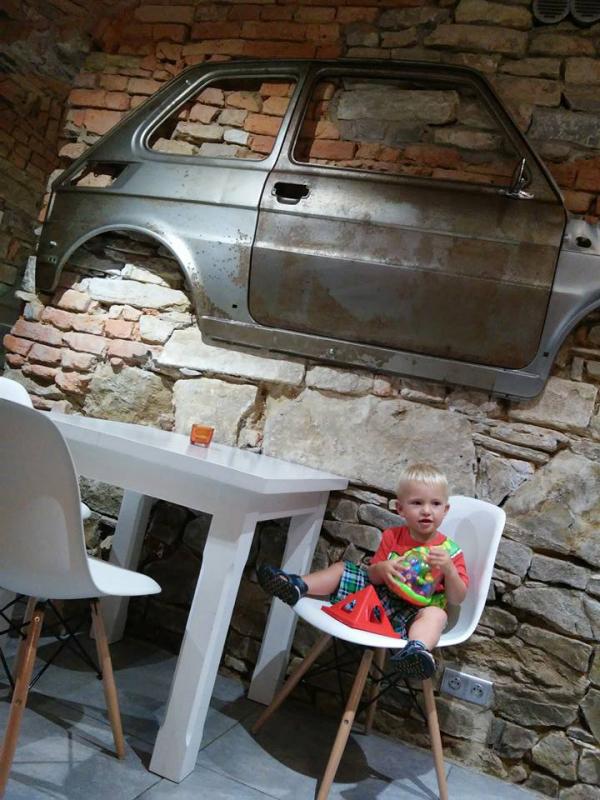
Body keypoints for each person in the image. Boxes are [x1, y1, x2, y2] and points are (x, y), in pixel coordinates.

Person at [257, 463, 469, 679]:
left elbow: (457, 598)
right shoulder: (392, 536)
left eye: (435, 504)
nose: (426, 511)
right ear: (400, 509)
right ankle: (297, 585)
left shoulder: (450, 552)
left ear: (445, 510)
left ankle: (416, 650)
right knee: (342, 569)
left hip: (414, 615)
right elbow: (372, 576)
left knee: (437, 614)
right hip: (378, 600)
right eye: (417, 503)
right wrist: (383, 569)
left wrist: (449, 570)